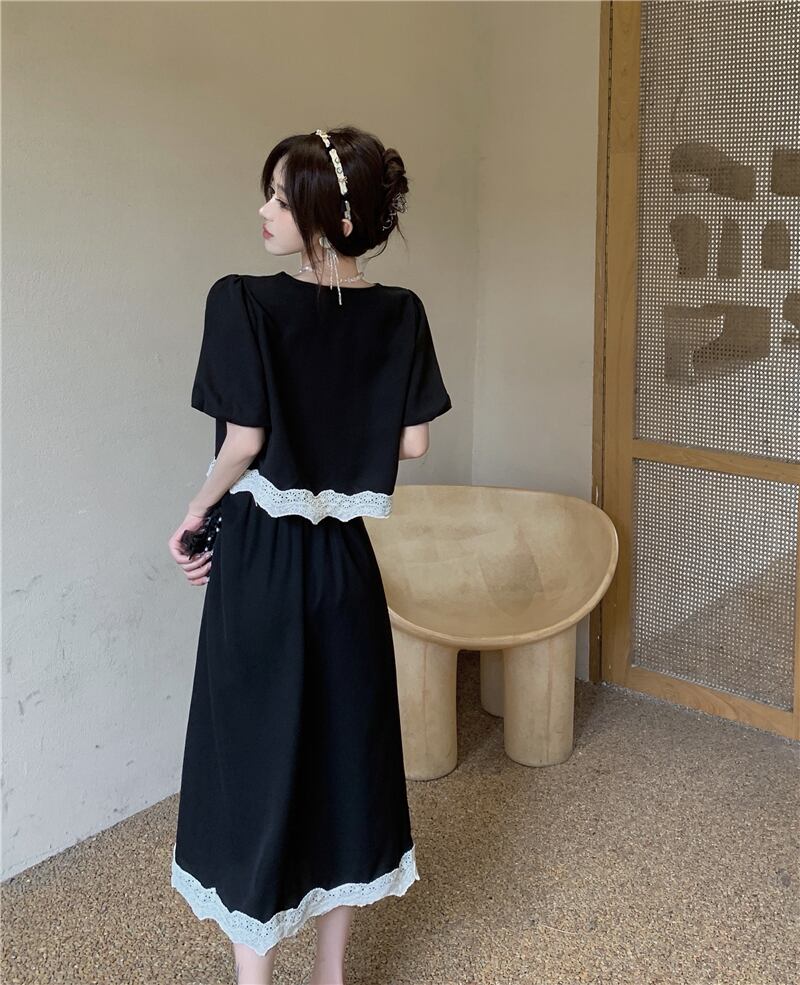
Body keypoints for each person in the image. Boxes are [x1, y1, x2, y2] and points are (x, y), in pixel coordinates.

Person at [166, 125, 453, 985]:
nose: (264, 211)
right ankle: (330, 975)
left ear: (331, 216)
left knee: (250, 759)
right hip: (345, 567)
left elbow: (246, 438)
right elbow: (412, 444)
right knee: (345, 758)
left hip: (261, 560)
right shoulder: (401, 312)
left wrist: (196, 509)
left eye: (281, 198)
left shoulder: (241, 302)